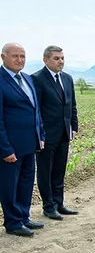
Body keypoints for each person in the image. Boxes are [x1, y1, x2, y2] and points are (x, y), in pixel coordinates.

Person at [0, 43, 45, 237]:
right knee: (10, 185)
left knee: (26, 182)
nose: (20, 60)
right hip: (11, 147)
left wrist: (40, 135)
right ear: (3, 57)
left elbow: (36, 111)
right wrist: (5, 149)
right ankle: (13, 222)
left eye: (23, 56)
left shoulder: (27, 79)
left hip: (30, 143)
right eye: (15, 56)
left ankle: (24, 217)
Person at [31, 45, 79, 220]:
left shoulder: (67, 78)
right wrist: (39, 135)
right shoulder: (37, 79)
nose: (61, 61)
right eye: (57, 58)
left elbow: (71, 105)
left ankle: (59, 203)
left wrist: (74, 126)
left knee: (59, 170)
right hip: (46, 136)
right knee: (45, 171)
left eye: (62, 58)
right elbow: (35, 110)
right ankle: (48, 206)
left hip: (64, 133)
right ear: (46, 60)